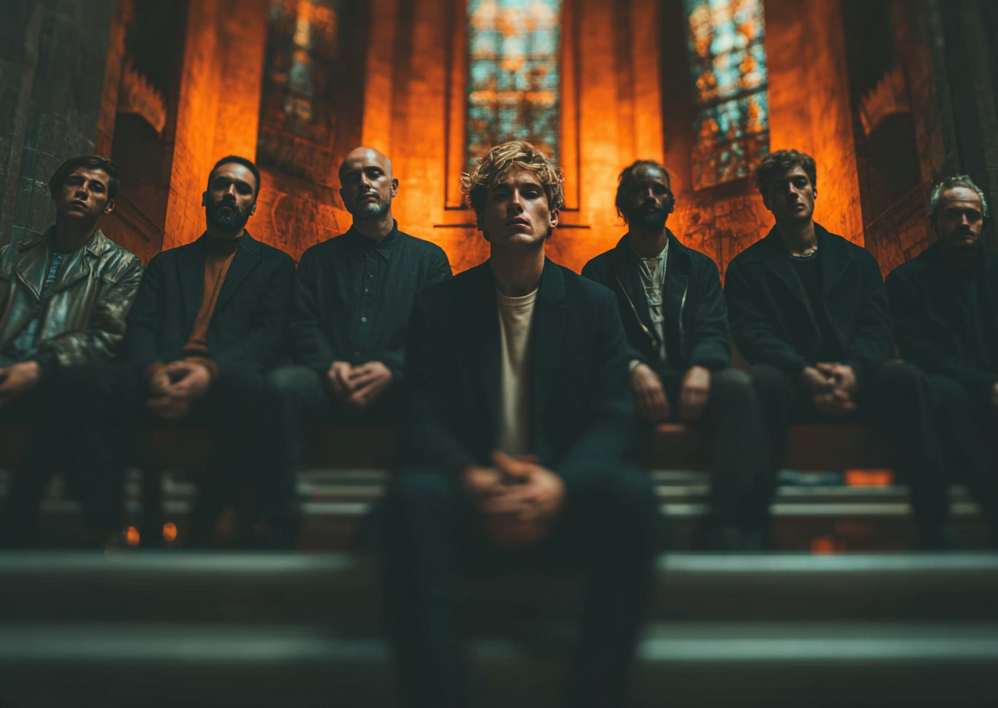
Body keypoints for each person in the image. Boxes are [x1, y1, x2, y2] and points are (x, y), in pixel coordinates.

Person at [380, 140, 659, 708]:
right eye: (500, 195)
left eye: (530, 193)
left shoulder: (594, 304)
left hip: (562, 498)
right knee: (408, 499)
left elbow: (613, 416)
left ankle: (596, 690)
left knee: (633, 499)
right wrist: (472, 478)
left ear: (552, 214)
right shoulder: (439, 305)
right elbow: (421, 411)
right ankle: (438, 690)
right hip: (471, 498)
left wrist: (559, 484)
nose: (515, 203)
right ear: (480, 216)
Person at [725, 149, 952, 548]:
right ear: (767, 200)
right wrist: (805, 373)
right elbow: (753, 333)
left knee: (907, 378)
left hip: (856, 380)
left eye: (800, 183)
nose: (793, 192)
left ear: (815, 190)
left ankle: (931, 522)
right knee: (759, 382)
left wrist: (853, 371)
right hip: (791, 382)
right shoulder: (747, 267)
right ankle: (754, 524)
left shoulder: (857, 260)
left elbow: (877, 328)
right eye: (781, 187)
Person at [261, 146, 451, 548]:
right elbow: (303, 322)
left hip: (398, 383)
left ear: (393, 186)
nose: (364, 182)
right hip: (327, 380)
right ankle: (281, 519)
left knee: (435, 392)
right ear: (342, 194)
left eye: (374, 174)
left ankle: (404, 523)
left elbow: (435, 333)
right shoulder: (316, 259)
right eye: (353, 177)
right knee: (280, 386)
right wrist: (329, 366)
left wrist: (391, 368)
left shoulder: (429, 260)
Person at [581, 160, 761, 548]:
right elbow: (599, 339)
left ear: (671, 203)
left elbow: (714, 327)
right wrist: (633, 367)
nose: (650, 196)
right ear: (621, 205)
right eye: (639, 189)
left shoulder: (700, 267)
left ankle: (725, 523)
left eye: (659, 189)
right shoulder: (597, 272)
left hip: (692, 377)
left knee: (738, 388)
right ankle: (625, 524)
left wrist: (701, 367)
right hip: (634, 383)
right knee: (599, 398)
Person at [121, 155, 294, 546]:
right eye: (222, 185)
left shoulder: (276, 266)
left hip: (226, 379)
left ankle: (204, 524)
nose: (230, 194)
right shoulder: (167, 264)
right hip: (161, 374)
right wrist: (154, 373)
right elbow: (140, 326)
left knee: (253, 392)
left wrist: (210, 373)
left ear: (252, 205)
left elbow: (270, 334)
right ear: (205, 196)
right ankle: (118, 523)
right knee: (101, 384)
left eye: (242, 189)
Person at [0, 156, 142, 546]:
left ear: (109, 205)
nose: (83, 190)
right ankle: (100, 525)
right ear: (57, 191)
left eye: (96, 187)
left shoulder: (122, 266)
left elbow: (106, 338)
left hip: (57, 379)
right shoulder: (12, 255)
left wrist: (39, 367)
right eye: (75, 182)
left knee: (69, 391)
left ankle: (18, 519)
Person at [886, 175, 998, 547]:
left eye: (972, 215)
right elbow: (919, 352)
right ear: (935, 223)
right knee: (945, 396)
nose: (964, 222)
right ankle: (994, 512)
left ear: (982, 221)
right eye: (953, 215)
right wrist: (987, 386)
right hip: (949, 387)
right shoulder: (906, 281)